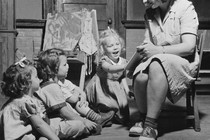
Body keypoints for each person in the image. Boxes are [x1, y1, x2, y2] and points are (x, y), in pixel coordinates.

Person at [128, 0, 199, 140]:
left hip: (184, 61)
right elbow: (149, 41)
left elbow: (189, 47)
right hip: (159, 58)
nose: (144, 0)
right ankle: (143, 118)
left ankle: (150, 125)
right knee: (140, 75)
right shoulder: (150, 12)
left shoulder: (185, 7)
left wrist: (158, 50)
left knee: (156, 64)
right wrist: (144, 49)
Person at [35, 48, 102, 137]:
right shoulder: (51, 87)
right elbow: (64, 112)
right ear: (53, 69)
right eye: (64, 64)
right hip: (47, 124)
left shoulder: (52, 84)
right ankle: (87, 127)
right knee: (79, 125)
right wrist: (84, 121)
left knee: (69, 107)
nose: (68, 66)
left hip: (50, 119)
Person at [54, 48, 115, 128]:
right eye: (65, 65)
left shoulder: (65, 82)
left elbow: (80, 91)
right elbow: (73, 99)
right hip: (67, 113)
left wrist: (83, 98)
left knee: (81, 103)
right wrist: (77, 94)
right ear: (55, 69)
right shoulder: (58, 86)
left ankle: (95, 118)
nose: (68, 66)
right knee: (78, 104)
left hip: (76, 108)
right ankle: (97, 119)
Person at [0, 57, 59, 140]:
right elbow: (39, 125)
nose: (39, 79)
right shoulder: (25, 102)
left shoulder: (11, 103)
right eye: (36, 77)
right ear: (27, 82)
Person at [85, 28, 131, 125]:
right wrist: (124, 67)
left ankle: (113, 115)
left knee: (125, 117)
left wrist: (127, 91)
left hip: (116, 88)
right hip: (103, 87)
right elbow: (109, 68)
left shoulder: (122, 61)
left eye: (117, 44)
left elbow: (122, 77)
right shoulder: (104, 60)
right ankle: (103, 115)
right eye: (110, 46)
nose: (115, 48)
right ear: (103, 49)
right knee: (106, 106)